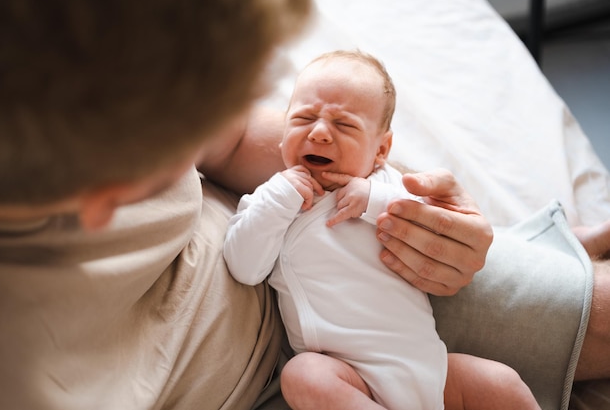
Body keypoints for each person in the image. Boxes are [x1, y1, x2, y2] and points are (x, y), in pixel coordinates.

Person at [0, 0, 607, 410]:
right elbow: (246, 257)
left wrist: (439, 223)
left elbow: (224, 135)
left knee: (556, 316)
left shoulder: (83, 66)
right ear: (95, 196)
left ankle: (532, 243)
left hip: (385, 288)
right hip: (312, 355)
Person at [223, 50, 540, 410]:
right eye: (303, 118)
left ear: (381, 150)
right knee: (303, 375)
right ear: (282, 136)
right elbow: (243, 267)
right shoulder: (271, 200)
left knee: (501, 383)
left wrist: (373, 198)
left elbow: (430, 221)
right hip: (348, 375)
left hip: (429, 370)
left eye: (344, 125)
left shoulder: (387, 185)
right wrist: (279, 199)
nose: (320, 132)